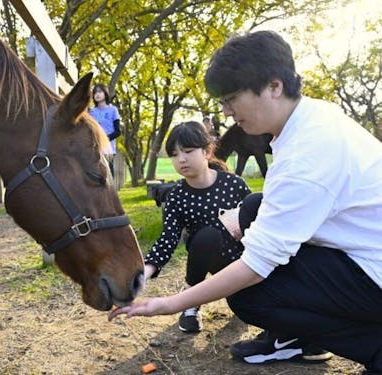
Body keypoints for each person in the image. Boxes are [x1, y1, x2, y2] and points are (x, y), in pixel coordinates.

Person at [109, 31, 382, 375]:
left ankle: (373, 346)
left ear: (274, 86)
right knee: (254, 208)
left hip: (373, 272)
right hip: (360, 248)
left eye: (232, 97)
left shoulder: (307, 154)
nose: (225, 111)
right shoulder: (309, 120)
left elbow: (256, 265)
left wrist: (169, 303)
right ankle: (292, 337)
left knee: (249, 296)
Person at [143, 121, 251, 333]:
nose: (181, 159)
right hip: (206, 257)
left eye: (188, 151)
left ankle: (242, 290)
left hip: (242, 262)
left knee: (248, 309)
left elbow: (257, 224)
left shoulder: (234, 185)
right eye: (174, 154)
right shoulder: (176, 196)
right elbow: (168, 239)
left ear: (207, 151)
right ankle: (191, 301)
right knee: (207, 236)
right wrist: (144, 272)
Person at [89, 84, 121, 176]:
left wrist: (105, 139)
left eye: (99, 92)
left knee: (109, 174)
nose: (97, 95)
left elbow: (118, 131)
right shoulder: (92, 112)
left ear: (105, 93)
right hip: (95, 149)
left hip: (108, 149)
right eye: (95, 93)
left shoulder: (113, 110)